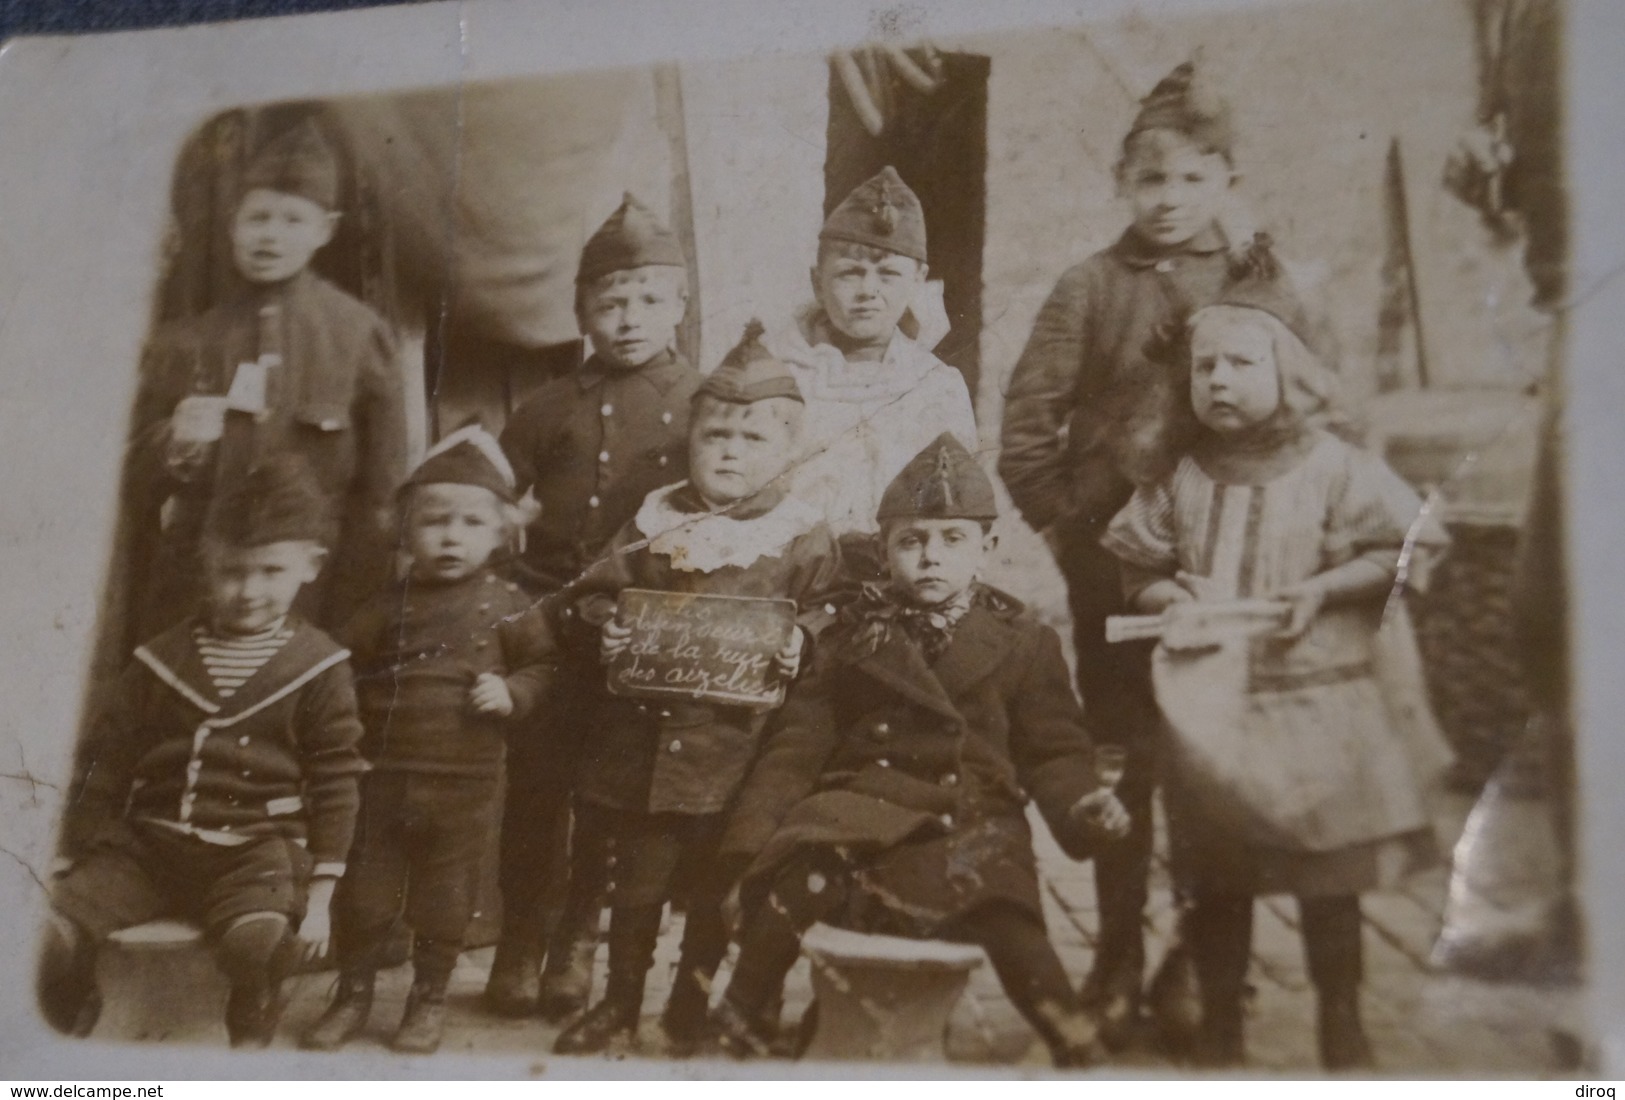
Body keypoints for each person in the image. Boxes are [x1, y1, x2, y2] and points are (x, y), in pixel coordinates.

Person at [997, 58, 1331, 1046]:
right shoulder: (1089, 287)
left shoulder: (1264, 283)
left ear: (1227, 180)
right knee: (1127, 763)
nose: (1169, 199)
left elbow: (1314, 415)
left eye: (1192, 177)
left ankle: (1197, 958)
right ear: (1120, 184)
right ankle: (1113, 957)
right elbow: (1026, 426)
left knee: (1216, 771)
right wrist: (1070, 529)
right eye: (1150, 179)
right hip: (1117, 573)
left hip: (1241, 572)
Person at [1100, 281, 1445, 1069]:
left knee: (1327, 876)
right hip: (1213, 706)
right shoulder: (1176, 476)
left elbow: (1401, 547)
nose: (1218, 380)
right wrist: (1173, 593)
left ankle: (1341, 1023)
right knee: (1220, 875)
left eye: (1240, 364)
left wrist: (1321, 589)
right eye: (1203, 367)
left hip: (1316, 701)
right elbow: (1137, 570)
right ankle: (1222, 1026)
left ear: (1289, 372)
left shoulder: (1334, 467)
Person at [709, 433, 1130, 1069]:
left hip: (972, 815)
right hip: (859, 805)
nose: (930, 557)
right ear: (884, 552)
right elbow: (798, 745)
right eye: (911, 541)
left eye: (951, 539)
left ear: (986, 549)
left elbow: (1054, 751)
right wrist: (754, 838)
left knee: (1003, 907)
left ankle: (1065, 1026)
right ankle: (744, 1009)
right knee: (800, 878)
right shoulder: (852, 635)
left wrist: (1082, 805)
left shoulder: (1024, 642)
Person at [533, 322, 841, 1056]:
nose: (730, 451)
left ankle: (686, 1005)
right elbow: (594, 593)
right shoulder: (653, 519)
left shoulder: (801, 537)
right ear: (691, 441)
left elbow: (832, 611)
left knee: (711, 890)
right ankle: (618, 1003)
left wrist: (804, 638)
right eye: (715, 435)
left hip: (736, 750)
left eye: (752, 439)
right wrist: (604, 624)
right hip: (641, 745)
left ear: (789, 452)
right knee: (634, 884)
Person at [42, 456, 366, 1047]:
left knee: (259, 938)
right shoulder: (160, 659)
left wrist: (321, 892)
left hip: (253, 850)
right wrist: (71, 849)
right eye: (231, 572)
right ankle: (69, 996)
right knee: (50, 925)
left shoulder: (318, 667)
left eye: (271, 571)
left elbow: (336, 780)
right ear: (205, 566)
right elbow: (105, 761)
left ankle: (253, 1010)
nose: (249, 591)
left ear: (309, 567)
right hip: (151, 844)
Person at [488, 193, 703, 1019]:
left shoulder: (704, 404)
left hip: (642, 627)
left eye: (649, 299)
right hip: (549, 626)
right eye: (609, 301)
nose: (627, 318)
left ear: (679, 304)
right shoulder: (546, 408)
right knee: (536, 787)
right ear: (581, 309)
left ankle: (577, 937)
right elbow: (494, 502)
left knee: (607, 796)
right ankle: (520, 939)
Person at [300, 427, 547, 1055]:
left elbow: (545, 667)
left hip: (463, 783)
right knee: (367, 894)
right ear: (406, 532)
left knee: (444, 901)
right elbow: (333, 664)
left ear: (501, 534)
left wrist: (512, 692)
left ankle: (428, 998)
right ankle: (352, 994)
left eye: (471, 522)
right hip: (379, 778)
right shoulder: (385, 605)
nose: (451, 536)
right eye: (435, 521)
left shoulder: (510, 605)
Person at [125, 117, 408, 637]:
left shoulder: (359, 335)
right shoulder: (185, 341)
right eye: (257, 218)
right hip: (200, 585)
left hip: (311, 592)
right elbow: (132, 479)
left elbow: (382, 493)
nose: (270, 236)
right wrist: (175, 443)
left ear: (325, 230)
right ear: (233, 223)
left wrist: (354, 601)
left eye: (292, 220)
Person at [764, 166, 978, 560]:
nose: (868, 291)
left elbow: (961, 509)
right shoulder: (774, 375)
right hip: (796, 573)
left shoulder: (937, 386)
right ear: (817, 281)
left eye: (889, 274)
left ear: (918, 280)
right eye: (850, 273)